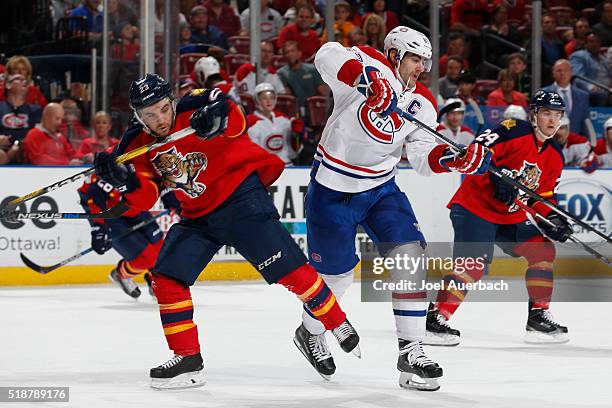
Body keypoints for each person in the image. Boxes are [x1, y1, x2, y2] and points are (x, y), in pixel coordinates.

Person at [93, 73, 360, 389]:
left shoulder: (195, 103)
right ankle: (187, 358)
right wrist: (125, 181)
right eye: (149, 114)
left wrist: (219, 116)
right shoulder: (135, 144)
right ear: (138, 115)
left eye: (163, 109)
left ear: (171, 101)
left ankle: (337, 322)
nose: (159, 119)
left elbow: (235, 118)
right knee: (166, 278)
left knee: (290, 270)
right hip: (197, 216)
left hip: (240, 200)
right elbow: (146, 197)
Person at [303, 26, 491, 391]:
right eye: (415, 58)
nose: (421, 67)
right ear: (394, 55)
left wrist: (455, 159)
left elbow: (421, 157)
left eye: (425, 61)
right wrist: (365, 80)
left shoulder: (420, 101)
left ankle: (412, 353)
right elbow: (325, 55)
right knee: (337, 278)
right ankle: (309, 331)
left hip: (381, 191)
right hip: (332, 190)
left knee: (410, 258)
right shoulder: (367, 63)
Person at [425, 90, 571, 347]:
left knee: (543, 250)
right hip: (474, 208)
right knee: (472, 266)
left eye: (557, 115)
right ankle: (435, 318)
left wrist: (554, 220)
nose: (552, 120)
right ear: (534, 114)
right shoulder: (511, 130)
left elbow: (542, 197)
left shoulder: (555, 155)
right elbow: (476, 151)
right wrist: (497, 175)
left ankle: (538, 316)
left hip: (508, 217)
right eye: (547, 113)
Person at [78, 170, 170, 299]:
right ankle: (120, 274)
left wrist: (173, 198)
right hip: (111, 215)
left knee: (161, 251)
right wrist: (98, 228)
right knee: (147, 258)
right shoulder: (111, 167)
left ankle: (153, 279)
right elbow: (95, 199)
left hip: (135, 208)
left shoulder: (143, 160)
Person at [247, 82, 303, 164]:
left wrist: (299, 133)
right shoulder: (250, 122)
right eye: (264, 98)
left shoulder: (283, 119)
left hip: (287, 164)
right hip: (265, 167)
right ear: (257, 100)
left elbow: (296, 146)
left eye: (271, 97)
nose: (269, 101)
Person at [277, 40, 328, 119]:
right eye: (287, 52)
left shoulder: (312, 69)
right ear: (284, 56)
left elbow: (324, 92)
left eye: (293, 51)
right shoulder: (281, 73)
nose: (290, 54)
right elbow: (286, 95)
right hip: (293, 112)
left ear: (299, 53)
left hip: (313, 111)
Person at [0, 74, 42, 162]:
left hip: (26, 153)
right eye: (18, 79)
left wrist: (19, 145)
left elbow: (39, 137)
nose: (24, 82)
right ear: (8, 85)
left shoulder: (35, 110)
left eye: (26, 80)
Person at [543, 59, 590, 136]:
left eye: (566, 70)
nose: (562, 73)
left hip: (574, 143)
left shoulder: (583, 96)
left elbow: (585, 123)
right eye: (559, 70)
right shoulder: (543, 94)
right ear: (553, 73)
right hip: (549, 142)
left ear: (571, 72)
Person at [569, 31, 612, 106]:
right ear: (585, 44)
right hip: (592, 92)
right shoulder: (579, 56)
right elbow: (577, 78)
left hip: (608, 90)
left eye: (597, 41)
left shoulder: (603, 59)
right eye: (591, 42)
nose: (595, 44)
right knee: (600, 94)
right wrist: (590, 86)